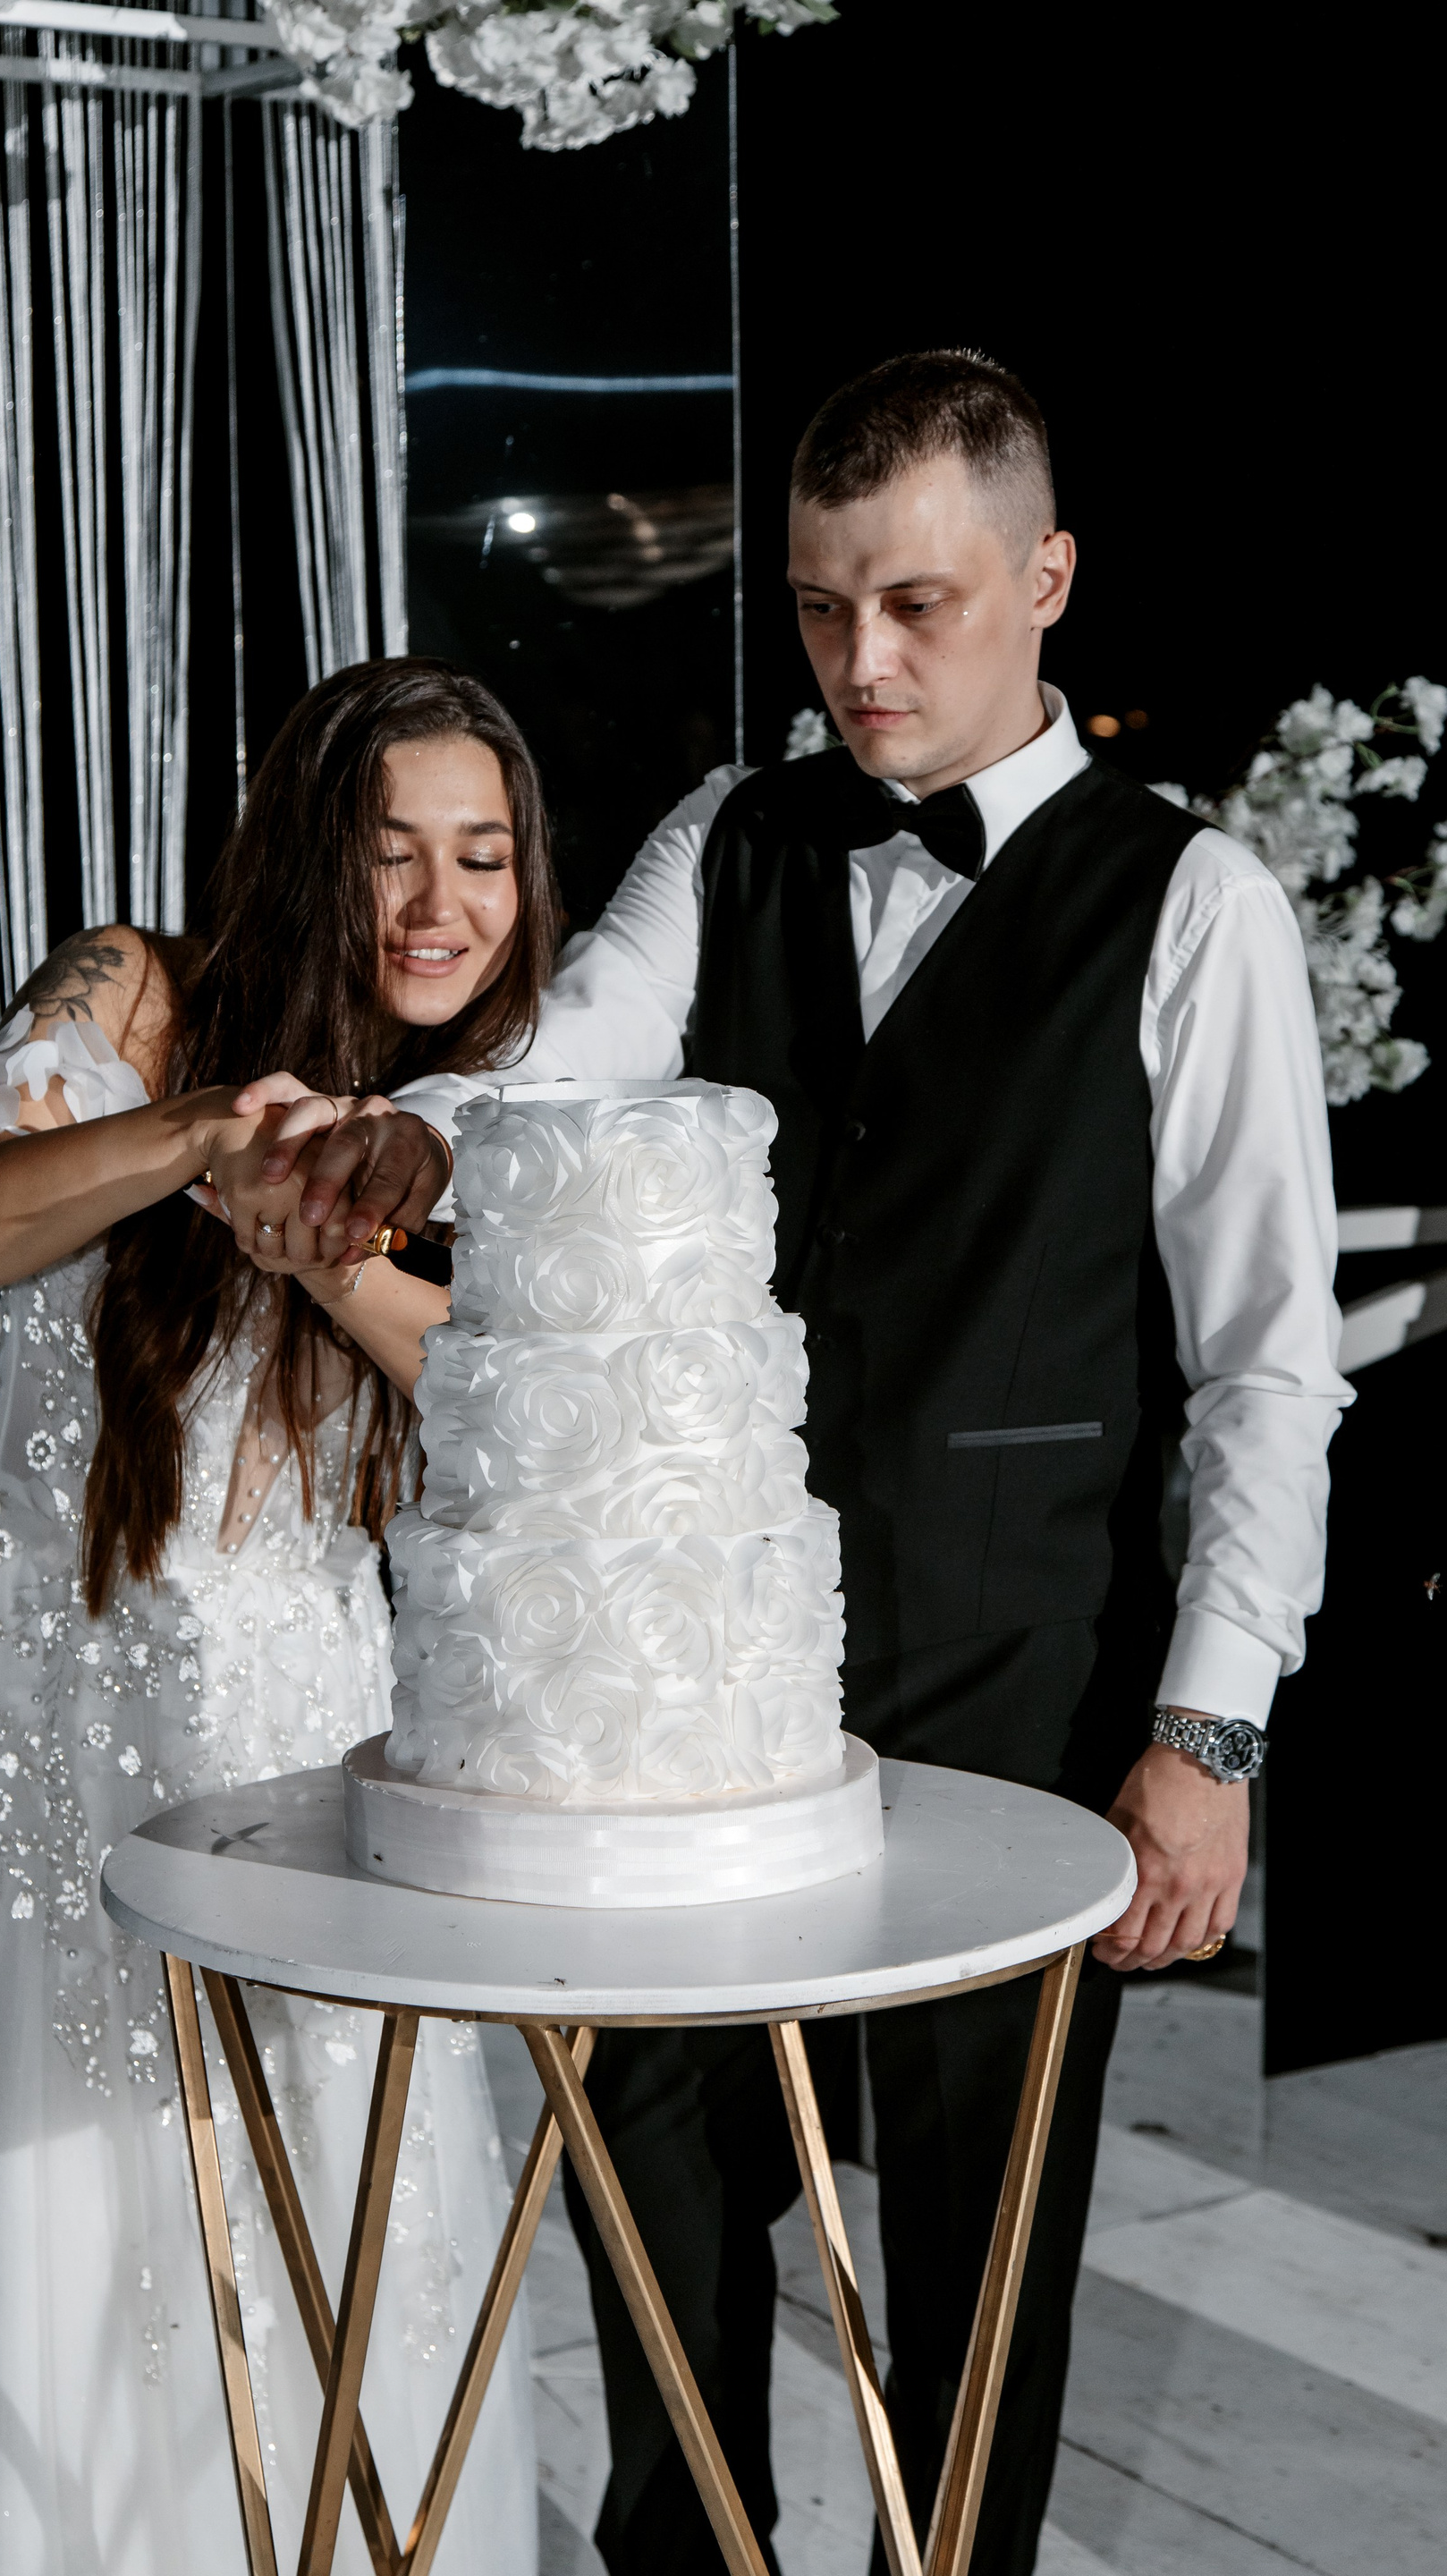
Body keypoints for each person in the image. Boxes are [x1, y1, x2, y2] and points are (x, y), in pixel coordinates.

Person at [233, 353, 1351, 2576]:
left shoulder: (1195, 902)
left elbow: (1266, 1364)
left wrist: (1209, 1730)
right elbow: (564, 1055)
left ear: (1047, 579)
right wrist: (410, 1136)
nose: (864, 662)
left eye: (919, 604)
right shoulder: (732, 832)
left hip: (1021, 1676)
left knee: (974, 2263)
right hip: (682, 1681)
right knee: (652, 2195)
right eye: (826, 608)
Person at [0, 657, 559, 2576]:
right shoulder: (131, 988)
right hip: (6, 1675)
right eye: (395, 851)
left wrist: (322, 1229)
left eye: (486, 856)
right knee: (3, 2183)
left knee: (289, 2204)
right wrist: (196, 1135)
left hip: (287, 1700)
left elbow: (501, 1396)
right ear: (307, 849)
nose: (443, 904)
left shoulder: (493, 1117)